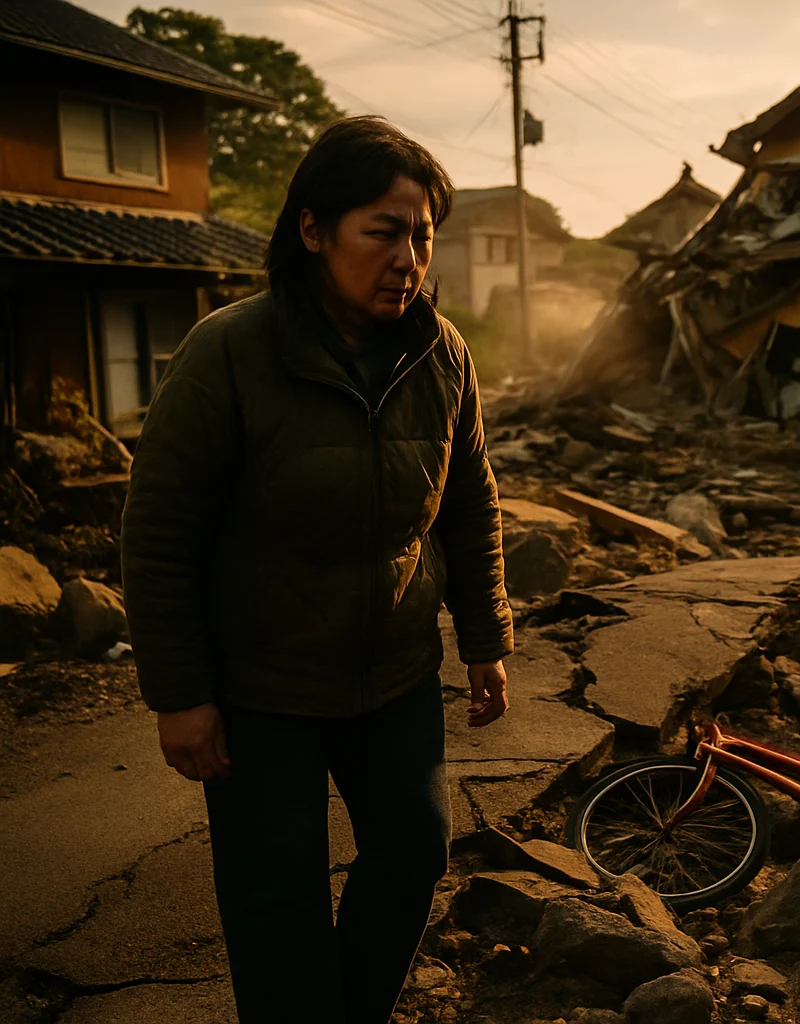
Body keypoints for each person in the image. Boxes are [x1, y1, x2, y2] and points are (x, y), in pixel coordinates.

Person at [120, 117, 515, 1023]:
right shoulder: (229, 352)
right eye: (383, 231)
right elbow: (159, 532)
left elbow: (468, 502)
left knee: (415, 852)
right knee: (279, 898)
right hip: (262, 687)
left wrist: (487, 637)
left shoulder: (441, 352)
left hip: (396, 674)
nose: (408, 257)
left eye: (422, 235)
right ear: (312, 231)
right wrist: (178, 694)